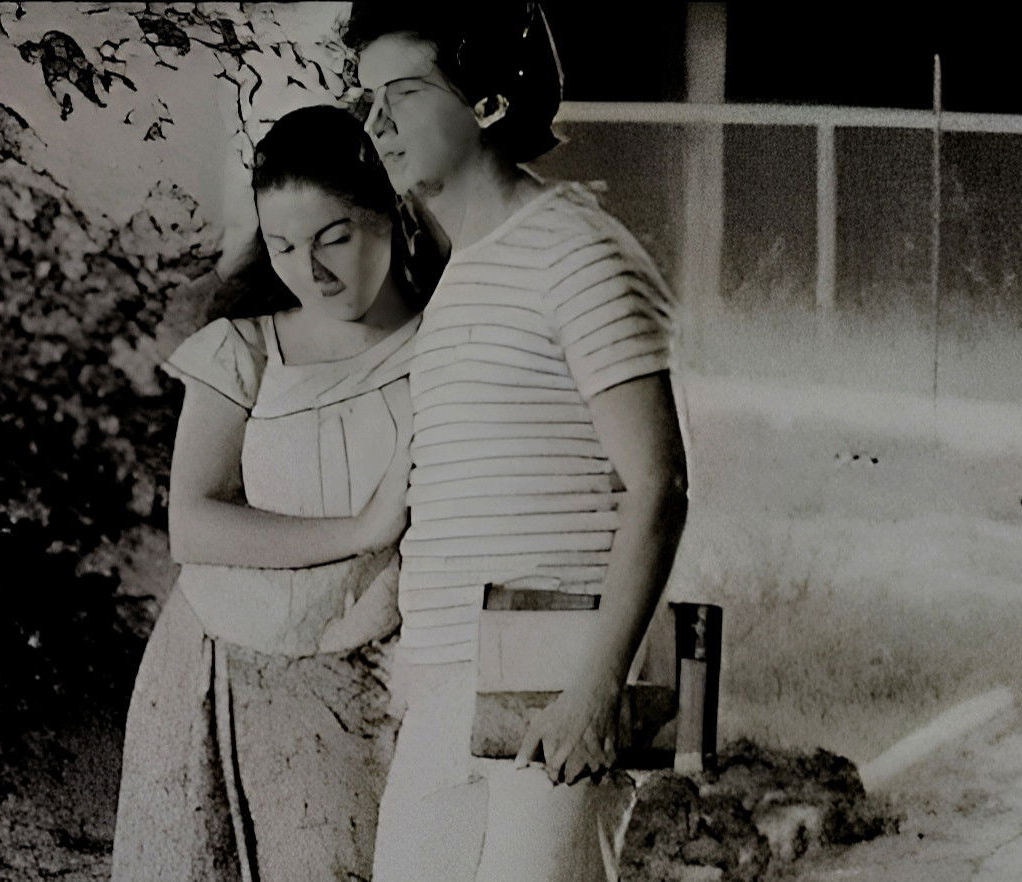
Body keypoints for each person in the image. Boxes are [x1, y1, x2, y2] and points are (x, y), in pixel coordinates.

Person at [343, 4, 691, 879]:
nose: (375, 125)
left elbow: (658, 485)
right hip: (444, 686)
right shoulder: (458, 270)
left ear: (489, 103)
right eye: (366, 100)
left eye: (403, 95)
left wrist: (594, 693)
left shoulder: (576, 251)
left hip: (555, 678)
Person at [110, 103, 439, 882]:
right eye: (284, 246)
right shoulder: (243, 348)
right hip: (208, 663)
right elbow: (194, 526)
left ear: (391, 216)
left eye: (334, 238)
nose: (310, 271)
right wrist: (360, 528)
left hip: (363, 670)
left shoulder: (447, 346)